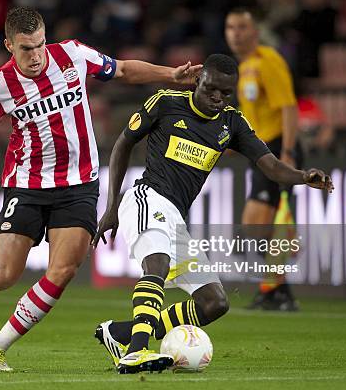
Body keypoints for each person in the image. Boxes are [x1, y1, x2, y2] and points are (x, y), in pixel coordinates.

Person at [0, 6, 202, 372]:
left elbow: (123, 69)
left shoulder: (73, 55)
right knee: (6, 275)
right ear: (8, 46)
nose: (35, 56)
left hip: (79, 184)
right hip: (27, 185)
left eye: (39, 45)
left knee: (63, 271)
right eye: (25, 49)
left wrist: (171, 75)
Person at [92, 54, 333, 374]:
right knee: (157, 266)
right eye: (212, 89)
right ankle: (136, 352)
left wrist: (303, 176)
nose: (218, 98)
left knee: (214, 303)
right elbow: (123, 145)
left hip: (175, 217)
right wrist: (110, 208)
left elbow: (271, 166)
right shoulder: (165, 103)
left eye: (226, 93)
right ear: (197, 81)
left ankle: (121, 334)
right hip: (147, 198)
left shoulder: (232, 123)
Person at [225, 8, 303, 310]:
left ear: (255, 32)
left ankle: (278, 287)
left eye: (242, 27)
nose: (236, 33)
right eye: (230, 27)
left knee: (255, 223)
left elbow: (289, 107)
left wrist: (288, 152)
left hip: (277, 149)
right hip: (261, 150)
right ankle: (276, 288)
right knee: (261, 226)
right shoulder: (244, 68)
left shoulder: (269, 61)